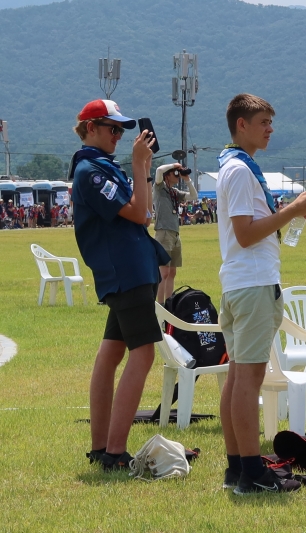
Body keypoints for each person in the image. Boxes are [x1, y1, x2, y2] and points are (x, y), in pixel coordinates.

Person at [216, 93, 306, 494]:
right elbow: (246, 234)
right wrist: (294, 209)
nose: (270, 129)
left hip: (240, 282)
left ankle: (236, 467)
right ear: (241, 125)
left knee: (237, 378)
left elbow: (251, 231)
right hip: (253, 282)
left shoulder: (232, 166)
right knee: (248, 378)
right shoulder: (241, 172)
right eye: (263, 122)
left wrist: (293, 213)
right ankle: (250, 473)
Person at [69, 99, 168, 470]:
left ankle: (101, 446)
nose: (118, 136)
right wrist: (141, 164)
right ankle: (113, 451)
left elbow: (141, 210)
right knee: (142, 355)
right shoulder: (91, 172)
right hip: (127, 272)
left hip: (127, 270)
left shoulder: (100, 168)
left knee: (111, 354)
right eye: (112, 128)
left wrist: (139, 168)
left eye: (122, 129)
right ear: (90, 128)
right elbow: (141, 215)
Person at [153, 163, 198, 304]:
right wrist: (174, 165)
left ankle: (169, 304)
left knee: (172, 272)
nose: (178, 176)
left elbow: (193, 196)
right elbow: (159, 170)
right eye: (175, 173)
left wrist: (187, 180)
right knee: (163, 273)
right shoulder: (160, 188)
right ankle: (160, 306)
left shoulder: (174, 192)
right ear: (168, 175)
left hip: (175, 235)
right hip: (164, 232)